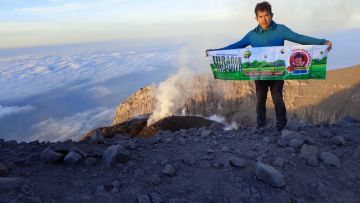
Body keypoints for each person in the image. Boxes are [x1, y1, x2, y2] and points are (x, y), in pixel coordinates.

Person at [206, 1, 332, 133]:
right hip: (259, 73)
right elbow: (236, 46)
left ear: (271, 15)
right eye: (261, 16)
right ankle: (260, 127)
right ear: (256, 18)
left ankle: (281, 127)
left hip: (277, 72)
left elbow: (299, 38)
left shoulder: (280, 30)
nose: (264, 19)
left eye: (266, 15)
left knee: (277, 97)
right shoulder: (252, 35)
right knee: (260, 99)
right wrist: (215, 51)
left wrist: (322, 42)